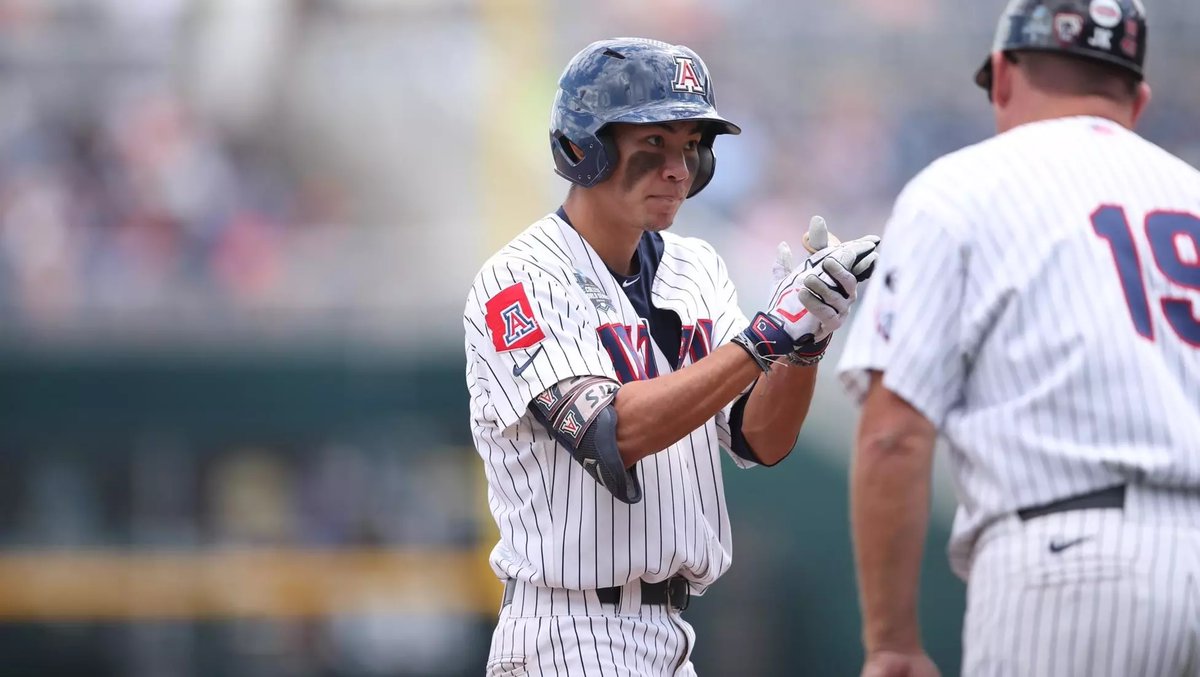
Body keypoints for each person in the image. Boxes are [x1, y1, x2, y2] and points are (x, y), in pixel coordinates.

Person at [464, 37, 878, 674]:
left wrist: (808, 338)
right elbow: (609, 431)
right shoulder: (520, 278)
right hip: (565, 631)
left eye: (690, 145)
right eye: (654, 142)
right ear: (584, 147)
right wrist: (768, 336)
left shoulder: (696, 266)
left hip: (670, 634)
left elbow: (757, 437)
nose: (679, 169)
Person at [838, 1, 1200, 675]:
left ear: (1002, 75)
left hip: (1067, 564)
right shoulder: (1192, 193)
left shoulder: (959, 189)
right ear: (1139, 100)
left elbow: (895, 434)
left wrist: (891, 641)